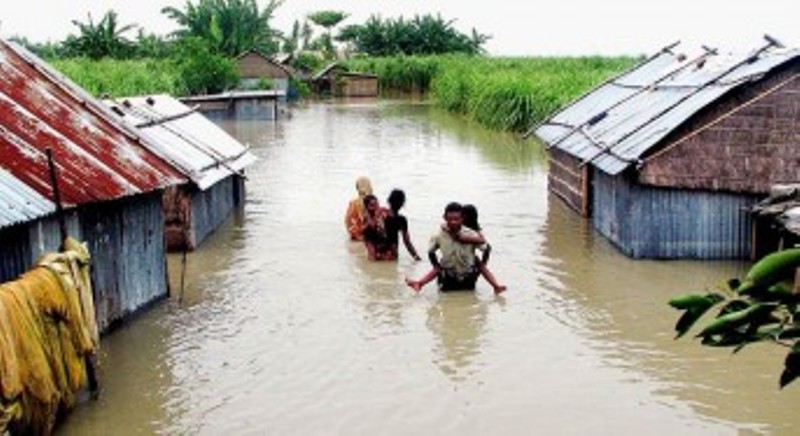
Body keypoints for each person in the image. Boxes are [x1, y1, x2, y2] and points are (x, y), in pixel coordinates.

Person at [406, 203, 506, 294]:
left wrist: (479, 268)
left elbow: (486, 248)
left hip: (468, 276)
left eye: (456, 219)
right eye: (450, 219)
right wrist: (437, 269)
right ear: (444, 218)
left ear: (463, 218)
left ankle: (496, 286)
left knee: (470, 300)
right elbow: (431, 252)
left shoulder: (471, 233)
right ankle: (420, 283)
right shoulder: (439, 235)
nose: (453, 222)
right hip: (449, 276)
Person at [383, 189, 422, 261]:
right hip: (392, 254)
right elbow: (407, 241)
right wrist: (416, 257)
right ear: (402, 203)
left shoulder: (381, 215)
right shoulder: (401, 220)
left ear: (389, 201)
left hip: (378, 253)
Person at [361, 194, 393, 261]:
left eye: (376, 204)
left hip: (380, 235)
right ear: (367, 207)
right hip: (369, 236)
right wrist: (377, 214)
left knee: (387, 256)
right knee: (372, 256)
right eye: (372, 205)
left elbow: (391, 215)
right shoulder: (367, 215)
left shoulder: (382, 210)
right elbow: (372, 225)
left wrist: (387, 215)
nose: (375, 207)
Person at [345, 176, 373, 241]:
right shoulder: (370, 202)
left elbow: (347, 221)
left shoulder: (353, 203)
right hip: (362, 232)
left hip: (355, 231)